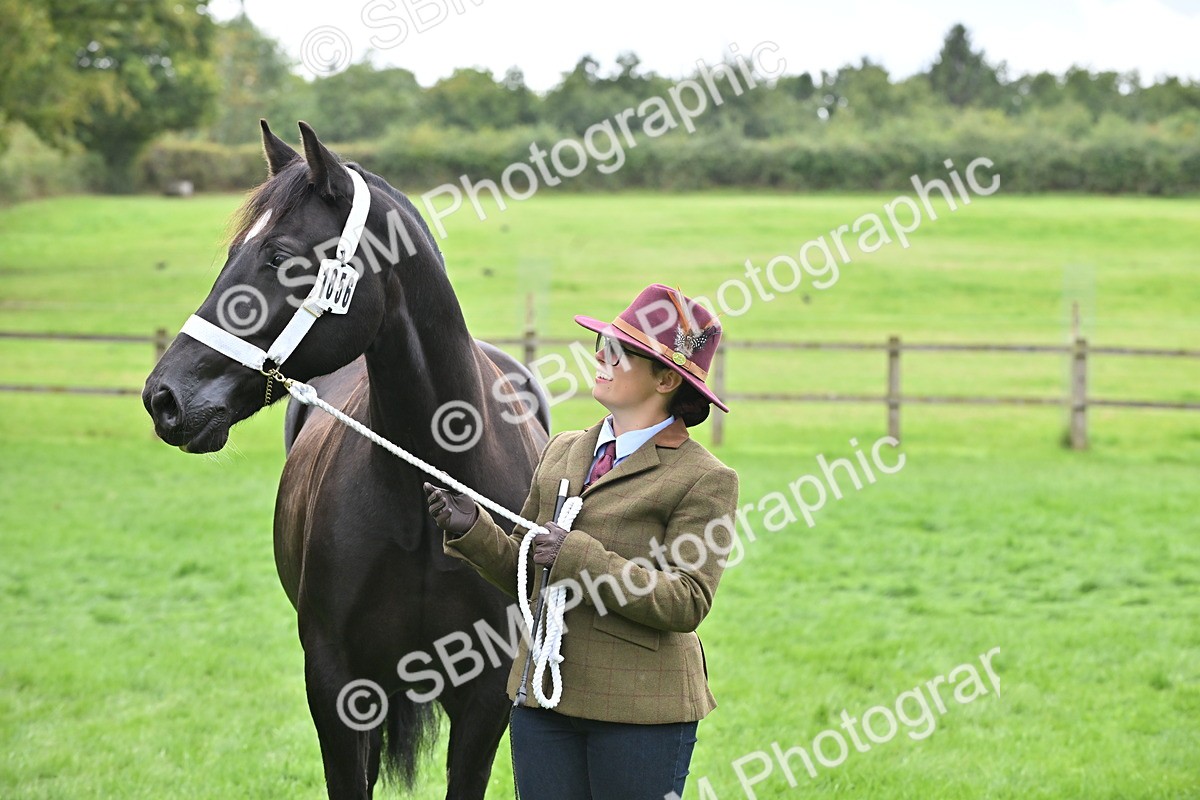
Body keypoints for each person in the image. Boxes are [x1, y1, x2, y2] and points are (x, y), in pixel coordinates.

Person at [424, 283, 739, 799]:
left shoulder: (706, 479)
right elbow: (528, 569)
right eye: (603, 345)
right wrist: (472, 530)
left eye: (623, 352)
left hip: (640, 711)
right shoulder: (563, 450)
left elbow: (686, 602)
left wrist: (577, 556)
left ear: (666, 378)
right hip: (542, 702)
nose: (602, 357)